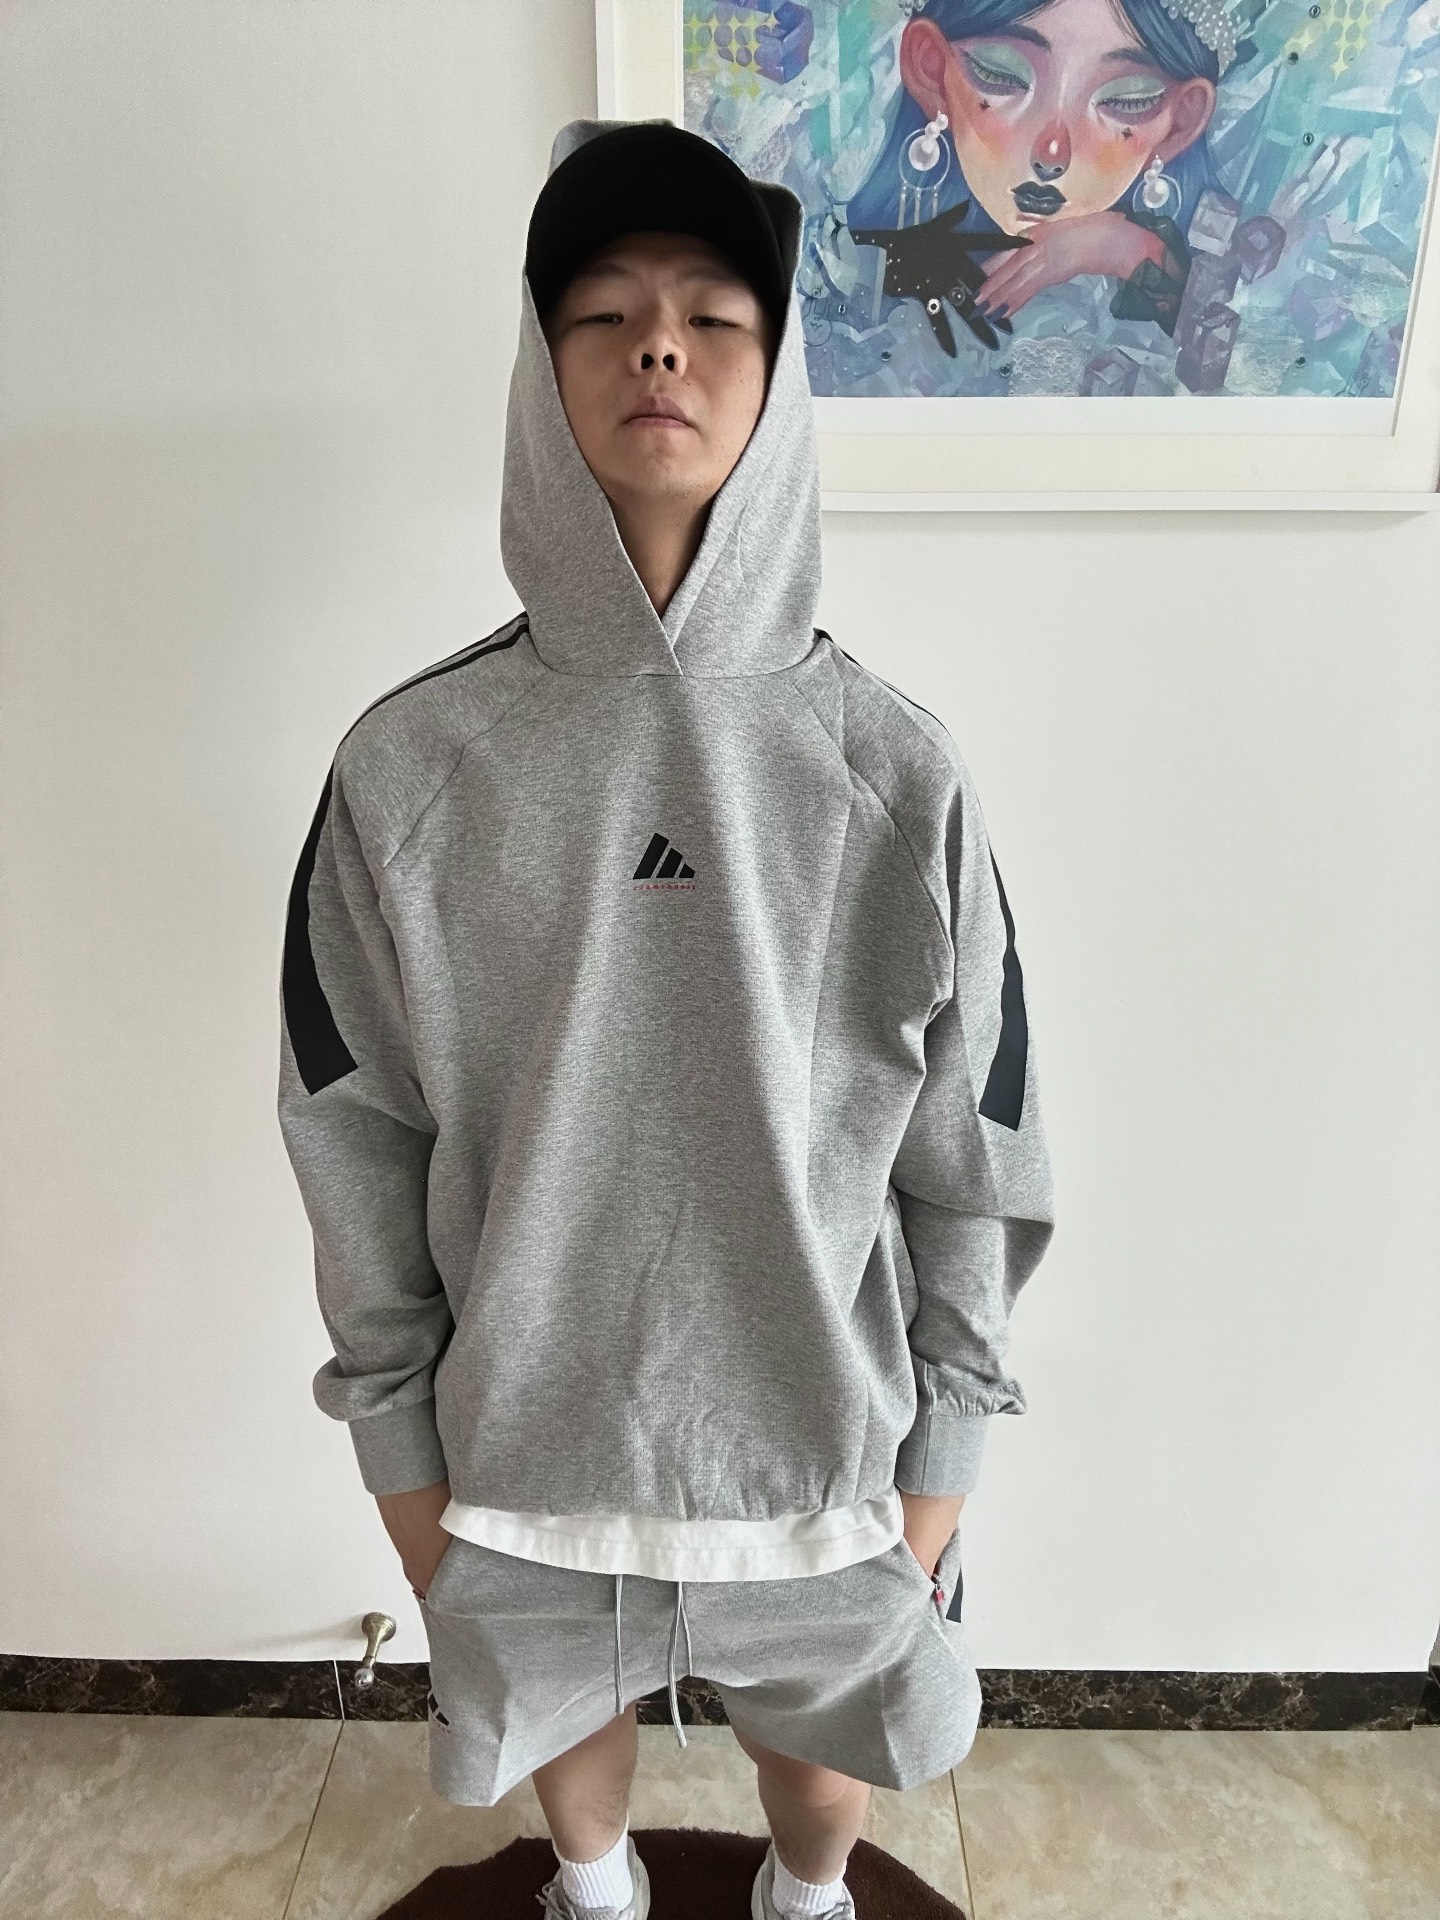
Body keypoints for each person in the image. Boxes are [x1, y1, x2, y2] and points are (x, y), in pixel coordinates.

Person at [277, 116, 1055, 1920]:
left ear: (777, 382)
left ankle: (806, 1901)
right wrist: (401, 1456)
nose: (658, 347)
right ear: (539, 367)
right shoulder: (408, 766)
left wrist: (941, 1459)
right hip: (521, 1452)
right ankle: (598, 1890)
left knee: (823, 1769)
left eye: (714, 314)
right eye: (605, 312)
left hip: (827, 1453)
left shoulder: (895, 768)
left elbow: (979, 1134)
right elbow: (348, 1122)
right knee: (569, 1743)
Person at [846, 0, 1229, 348]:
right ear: (931, 69)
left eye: (1126, 100)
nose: (1052, 154)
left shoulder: (1211, 250)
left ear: (1180, 122)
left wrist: (1123, 249)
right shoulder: (853, 258)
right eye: (1000, 74)